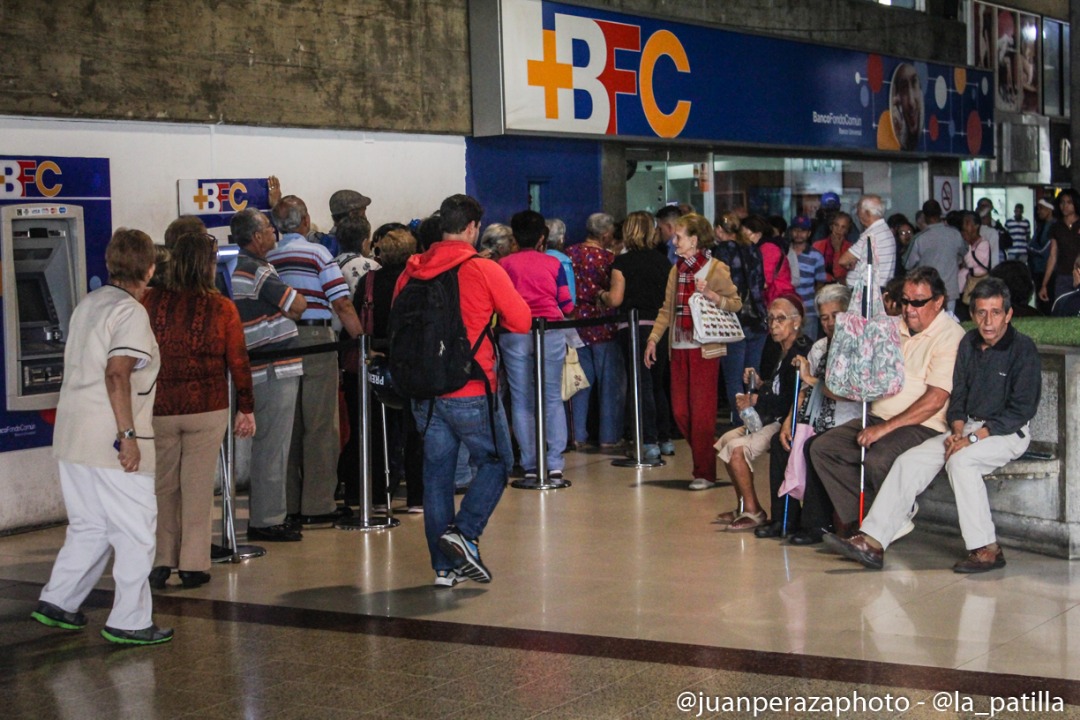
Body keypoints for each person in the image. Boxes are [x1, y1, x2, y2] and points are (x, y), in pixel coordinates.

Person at [824, 278, 1040, 573]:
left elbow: (1021, 410)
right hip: (966, 430)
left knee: (961, 461)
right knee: (909, 460)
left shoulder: (1023, 349)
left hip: (1005, 432)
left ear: (1009, 314)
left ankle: (986, 549)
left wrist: (973, 439)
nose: (987, 321)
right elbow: (959, 394)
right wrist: (959, 429)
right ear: (973, 314)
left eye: (996, 312)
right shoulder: (968, 343)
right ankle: (872, 543)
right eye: (980, 313)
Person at [33, 228, 173, 645]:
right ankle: (130, 621)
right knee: (135, 531)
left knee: (90, 525)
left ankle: (59, 601)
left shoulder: (89, 304)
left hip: (73, 435)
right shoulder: (130, 313)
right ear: (149, 269)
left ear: (110, 264)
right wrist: (127, 435)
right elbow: (117, 373)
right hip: (111, 438)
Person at [394, 194, 531, 587]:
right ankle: (465, 533)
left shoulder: (411, 270)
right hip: (471, 386)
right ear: (471, 228)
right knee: (498, 462)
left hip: (425, 393)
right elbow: (520, 321)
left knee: (436, 476)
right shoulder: (481, 268)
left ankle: (443, 568)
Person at [810, 267, 965, 532]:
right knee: (823, 448)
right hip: (878, 416)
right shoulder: (894, 326)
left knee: (878, 459)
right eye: (905, 301)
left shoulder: (950, 336)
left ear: (938, 302)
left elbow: (935, 400)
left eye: (918, 302)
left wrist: (883, 429)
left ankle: (887, 519)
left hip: (923, 425)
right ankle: (873, 520)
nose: (909, 308)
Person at [142, 232, 255, 590]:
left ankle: (162, 561)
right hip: (207, 405)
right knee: (197, 486)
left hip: (160, 406)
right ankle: (192, 564)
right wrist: (246, 408)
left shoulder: (150, 301)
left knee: (164, 486)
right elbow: (238, 360)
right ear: (209, 263)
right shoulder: (221, 306)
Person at [268, 195, 363, 526]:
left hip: (279, 342)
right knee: (321, 425)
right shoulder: (319, 253)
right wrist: (362, 341)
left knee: (289, 426)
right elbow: (342, 304)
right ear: (306, 220)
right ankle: (318, 504)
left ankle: (289, 503)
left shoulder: (270, 256)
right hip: (316, 340)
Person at [645, 214, 742, 491]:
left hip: (705, 350)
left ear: (694, 240)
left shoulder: (716, 269)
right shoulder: (676, 270)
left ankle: (705, 472)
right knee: (680, 412)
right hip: (678, 347)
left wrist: (712, 295)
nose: (674, 241)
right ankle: (707, 456)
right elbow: (666, 309)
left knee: (701, 415)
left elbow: (735, 303)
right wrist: (654, 339)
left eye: (679, 237)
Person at [228, 208, 307, 542]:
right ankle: (267, 519)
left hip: (256, 366)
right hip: (273, 368)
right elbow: (297, 305)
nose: (274, 233)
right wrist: (290, 303)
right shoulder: (256, 270)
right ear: (256, 236)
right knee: (273, 446)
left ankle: (269, 514)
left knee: (268, 446)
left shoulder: (234, 268)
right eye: (269, 229)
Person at [758, 284, 857, 540]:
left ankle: (816, 524)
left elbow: (843, 390)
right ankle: (783, 519)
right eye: (824, 318)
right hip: (814, 417)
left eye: (836, 316)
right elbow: (802, 391)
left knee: (814, 445)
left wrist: (811, 379)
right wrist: (789, 422)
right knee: (781, 443)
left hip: (845, 420)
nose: (830, 323)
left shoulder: (858, 347)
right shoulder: (820, 347)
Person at [713, 295, 810, 531]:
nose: (774, 325)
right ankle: (744, 504)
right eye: (771, 319)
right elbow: (774, 386)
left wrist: (757, 398)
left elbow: (793, 396)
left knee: (737, 450)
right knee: (725, 439)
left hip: (784, 420)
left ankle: (754, 512)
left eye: (780, 319)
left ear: (796, 322)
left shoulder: (801, 350)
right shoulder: (775, 348)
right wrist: (758, 383)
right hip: (769, 416)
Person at [499, 210, 574, 483]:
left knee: (521, 400)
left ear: (514, 236)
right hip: (550, 331)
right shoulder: (553, 264)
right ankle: (554, 462)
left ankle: (530, 463)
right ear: (543, 237)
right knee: (552, 397)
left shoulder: (504, 264)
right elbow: (567, 305)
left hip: (514, 333)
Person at [605, 210, 674, 460]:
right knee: (658, 383)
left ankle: (648, 440)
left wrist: (601, 296)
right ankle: (665, 438)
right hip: (661, 327)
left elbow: (615, 299)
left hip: (634, 327)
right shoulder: (663, 261)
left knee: (639, 384)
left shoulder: (622, 263)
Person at [366, 229, 424, 512]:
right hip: (411, 359)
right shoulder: (418, 280)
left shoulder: (369, 280)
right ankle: (416, 497)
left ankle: (378, 496)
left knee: (379, 430)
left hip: (377, 357)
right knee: (415, 429)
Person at [567, 213, 625, 450]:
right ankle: (608, 437)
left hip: (575, 325)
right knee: (610, 384)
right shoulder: (610, 258)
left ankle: (578, 435)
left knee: (580, 383)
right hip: (604, 325)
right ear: (605, 234)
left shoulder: (569, 254)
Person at [713, 212, 768, 426]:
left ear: (719, 230)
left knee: (734, 378)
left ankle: (741, 423)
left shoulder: (721, 252)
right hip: (756, 317)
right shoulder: (753, 250)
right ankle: (755, 421)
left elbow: (717, 287)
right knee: (752, 375)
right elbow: (760, 282)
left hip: (732, 320)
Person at [904, 199, 967, 312]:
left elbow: (908, 264)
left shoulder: (920, 238)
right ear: (940, 213)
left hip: (927, 291)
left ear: (924, 216)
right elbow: (965, 253)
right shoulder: (954, 234)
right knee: (949, 322)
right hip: (950, 290)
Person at [840, 195, 896, 288]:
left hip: (866, 291)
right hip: (876, 288)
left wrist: (853, 262)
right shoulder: (884, 230)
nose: (857, 214)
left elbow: (843, 260)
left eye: (858, 210)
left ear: (866, 213)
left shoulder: (872, 234)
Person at [787, 215, 826, 341]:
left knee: (808, 348)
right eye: (796, 230)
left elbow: (820, 284)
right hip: (787, 310)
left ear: (809, 233)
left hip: (809, 311)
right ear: (791, 231)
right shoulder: (784, 253)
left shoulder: (816, 256)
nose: (799, 234)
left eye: (803, 230)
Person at [1039, 189, 1080, 306]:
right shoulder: (1056, 227)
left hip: (1078, 273)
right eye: (1062, 202)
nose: (1065, 206)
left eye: (1069, 202)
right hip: (1063, 275)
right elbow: (1053, 255)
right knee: (1062, 308)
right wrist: (1044, 284)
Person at [958, 210, 992, 320]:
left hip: (979, 281)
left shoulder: (983, 244)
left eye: (968, 223)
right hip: (967, 282)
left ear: (976, 226)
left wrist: (967, 245)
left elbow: (970, 263)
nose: (964, 226)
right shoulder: (968, 243)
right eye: (964, 222)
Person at [812, 212, 854, 285]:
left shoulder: (851, 248)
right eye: (836, 225)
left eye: (843, 227)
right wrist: (827, 277)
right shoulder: (818, 245)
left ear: (847, 231)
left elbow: (839, 275)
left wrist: (837, 250)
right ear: (831, 227)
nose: (839, 229)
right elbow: (813, 270)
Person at [544, 218, 576, 301]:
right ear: (561, 240)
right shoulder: (564, 262)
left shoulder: (534, 258)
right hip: (556, 311)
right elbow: (569, 297)